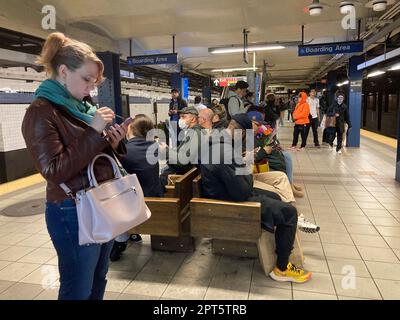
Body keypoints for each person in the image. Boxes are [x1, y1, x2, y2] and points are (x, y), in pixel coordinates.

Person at [21, 32, 128, 300]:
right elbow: (54, 171)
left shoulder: (82, 107)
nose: (91, 87)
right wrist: (94, 132)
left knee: (98, 279)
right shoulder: (41, 112)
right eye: (86, 79)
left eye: (94, 81)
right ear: (64, 71)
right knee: (77, 289)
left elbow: (90, 156)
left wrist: (113, 143)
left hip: (101, 201)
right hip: (71, 209)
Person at [200, 114, 312, 283]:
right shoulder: (223, 151)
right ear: (242, 133)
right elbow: (242, 191)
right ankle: (281, 268)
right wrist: (247, 167)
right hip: (229, 202)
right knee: (289, 213)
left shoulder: (220, 143)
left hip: (225, 194)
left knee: (276, 197)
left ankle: (281, 241)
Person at [110, 114, 163, 262]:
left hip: (136, 203)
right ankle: (132, 234)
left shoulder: (126, 150)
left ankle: (120, 241)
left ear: (130, 129)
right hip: (155, 195)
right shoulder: (153, 147)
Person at [159, 107, 203, 186]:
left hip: (185, 174)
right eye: (180, 117)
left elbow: (182, 161)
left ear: (193, 119)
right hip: (187, 172)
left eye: (184, 117)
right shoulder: (191, 132)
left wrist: (166, 151)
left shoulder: (195, 134)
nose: (180, 120)